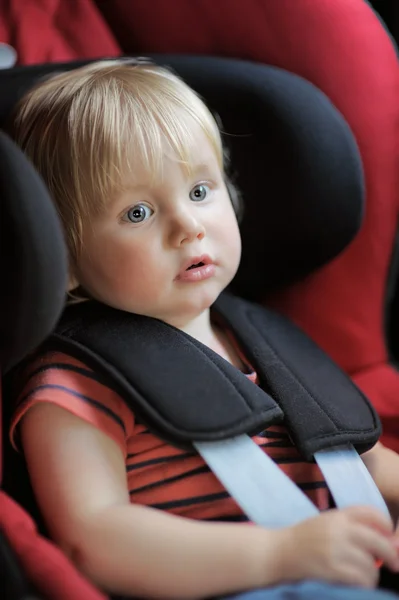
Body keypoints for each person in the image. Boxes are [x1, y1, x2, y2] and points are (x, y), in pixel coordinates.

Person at [8, 59, 399, 600]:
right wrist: (279, 554)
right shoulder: (75, 382)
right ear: (66, 256)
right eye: (139, 212)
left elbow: (358, 457)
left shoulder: (267, 341)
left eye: (199, 192)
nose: (188, 226)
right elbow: (93, 538)